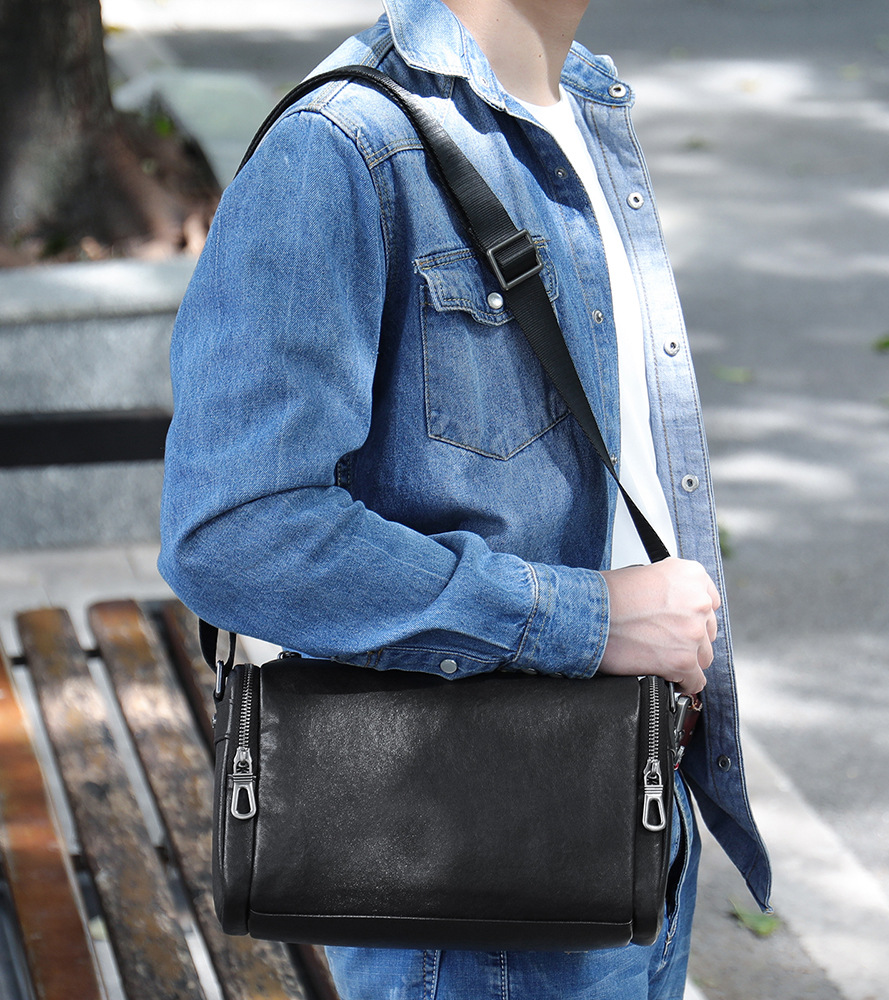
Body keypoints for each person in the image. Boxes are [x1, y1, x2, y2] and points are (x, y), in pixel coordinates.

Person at [159, 0, 771, 996]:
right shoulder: (342, 147)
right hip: (470, 887)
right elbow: (236, 530)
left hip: (631, 814)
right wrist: (586, 618)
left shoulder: (580, 108)